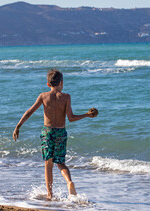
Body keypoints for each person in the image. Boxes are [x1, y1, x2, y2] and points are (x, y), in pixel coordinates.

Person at [13, 69, 96, 200]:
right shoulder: (66, 97)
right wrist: (87, 115)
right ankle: (69, 182)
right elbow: (71, 118)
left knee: (48, 163)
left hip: (47, 132)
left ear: (48, 84)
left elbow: (30, 111)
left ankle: (50, 194)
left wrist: (18, 126)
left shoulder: (43, 96)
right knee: (61, 163)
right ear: (61, 83)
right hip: (61, 132)